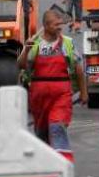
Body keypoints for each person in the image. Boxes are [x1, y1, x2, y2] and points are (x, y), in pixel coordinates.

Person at [19, 8, 88, 161]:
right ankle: (45, 163)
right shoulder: (35, 44)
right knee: (41, 132)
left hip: (61, 95)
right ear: (46, 25)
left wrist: (84, 92)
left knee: (57, 126)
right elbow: (21, 65)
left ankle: (62, 162)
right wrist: (26, 50)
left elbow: (78, 69)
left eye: (60, 24)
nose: (59, 27)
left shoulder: (67, 44)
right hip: (38, 97)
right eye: (56, 25)